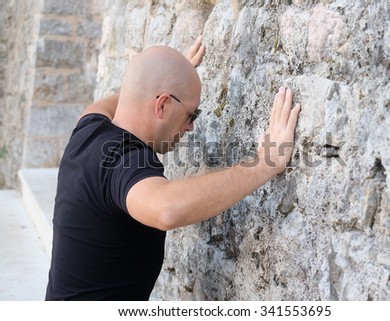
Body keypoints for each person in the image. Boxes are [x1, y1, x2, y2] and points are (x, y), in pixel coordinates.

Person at [45, 36, 301, 300]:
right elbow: (166, 209)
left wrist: (167, 81)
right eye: (192, 114)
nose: (191, 126)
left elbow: (113, 101)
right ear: (162, 104)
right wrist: (264, 163)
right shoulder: (124, 160)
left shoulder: (88, 130)